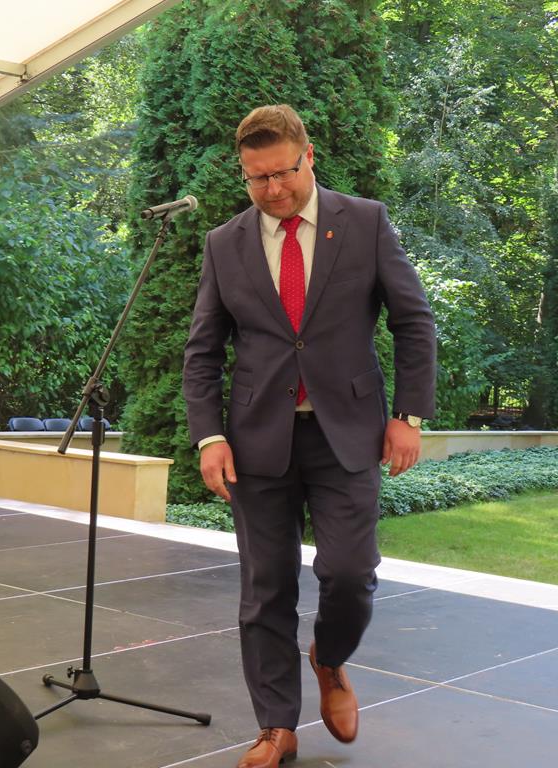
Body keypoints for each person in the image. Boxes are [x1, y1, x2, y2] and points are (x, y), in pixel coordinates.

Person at [183, 104, 436, 768]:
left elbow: (413, 322)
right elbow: (203, 351)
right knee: (265, 587)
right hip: (257, 440)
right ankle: (276, 726)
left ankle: (330, 656)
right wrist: (209, 437)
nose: (272, 189)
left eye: (283, 173)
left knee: (350, 574)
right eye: (257, 178)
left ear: (309, 157)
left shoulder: (366, 223)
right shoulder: (224, 243)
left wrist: (408, 416)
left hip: (346, 433)